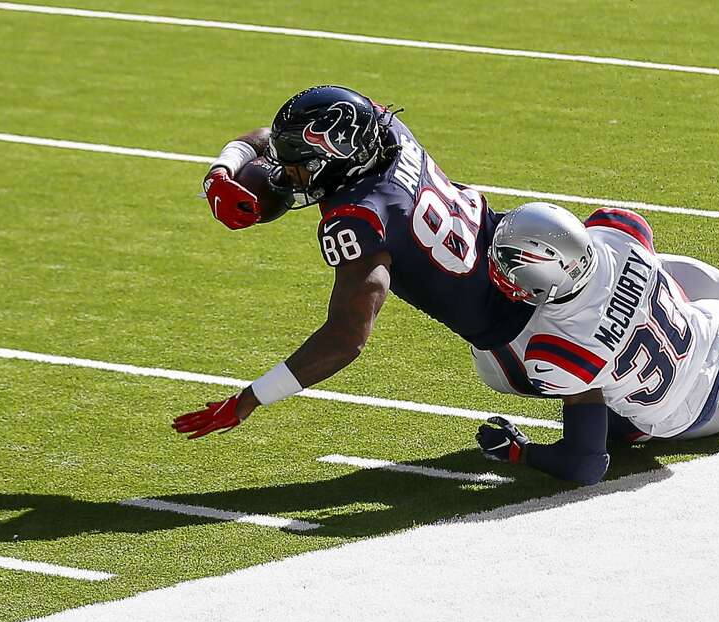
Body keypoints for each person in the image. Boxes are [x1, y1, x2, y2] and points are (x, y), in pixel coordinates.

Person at [176, 84, 535, 439]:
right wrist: (221, 170)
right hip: (522, 259)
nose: (284, 174)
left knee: (580, 458)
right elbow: (269, 139)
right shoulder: (378, 127)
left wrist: (250, 399)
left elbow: (346, 338)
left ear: (333, 164)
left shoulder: (357, 217)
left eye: (296, 168)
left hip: (517, 343)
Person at [472, 202, 719, 484]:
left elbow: (585, 464)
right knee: (658, 268)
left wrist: (522, 451)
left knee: (632, 426)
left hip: (684, 415)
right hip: (708, 340)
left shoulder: (559, 353)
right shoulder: (618, 230)